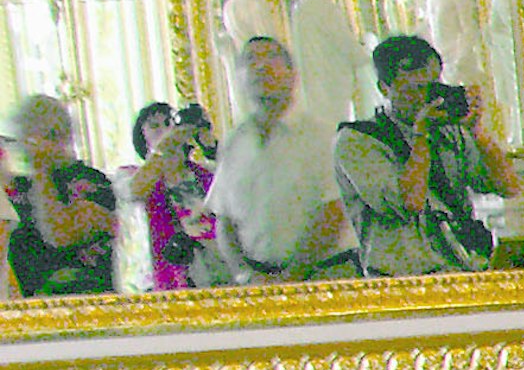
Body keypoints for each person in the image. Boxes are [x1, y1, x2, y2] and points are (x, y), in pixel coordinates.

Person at [336, 33, 499, 275]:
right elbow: (410, 202)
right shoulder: (359, 140)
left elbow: (508, 186)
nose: (424, 98)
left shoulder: (449, 131)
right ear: (385, 88)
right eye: (414, 89)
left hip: (462, 269)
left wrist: (478, 133)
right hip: (403, 282)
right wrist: (421, 136)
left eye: (432, 86)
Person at [207, 36, 353, 279]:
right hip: (259, 280)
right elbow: (224, 218)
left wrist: (291, 277)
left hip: (323, 275)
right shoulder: (234, 142)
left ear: (292, 74)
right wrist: (243, 273)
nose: (260, 67)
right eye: (250, 60)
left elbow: (333, 212)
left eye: (271, 58)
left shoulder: (322, 136)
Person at [4, 95, 115, 299]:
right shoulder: (18, 189)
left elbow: (61, 235)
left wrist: (41, 171)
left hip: (90, 302)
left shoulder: (89, 181)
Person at [122, 98, 221, 289]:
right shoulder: (130, 175)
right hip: (170, 274)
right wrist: (166, 146)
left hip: (217, 267)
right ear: (142, 136)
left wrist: (209, 142)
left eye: (169, 123)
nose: (164, 129)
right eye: (154, 126)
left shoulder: (206, 172)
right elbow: (134, 191)